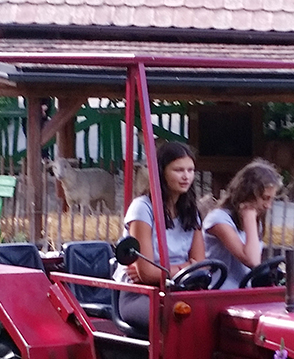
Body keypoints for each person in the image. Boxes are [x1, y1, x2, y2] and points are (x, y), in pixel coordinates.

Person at [115, 139, 205, 331]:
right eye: (178, 170)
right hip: (139, 295)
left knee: (213, 315)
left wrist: (168, 271)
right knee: (177, 317)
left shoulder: (191, 212)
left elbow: (201, 265)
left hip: (180, 290)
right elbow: (146, 273)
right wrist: (187, 267)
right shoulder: (142, 208)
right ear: (161, 172)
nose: (186, 176)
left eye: (190, 170)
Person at [203, 159, 281, 289]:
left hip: (244, 292)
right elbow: (252, 261)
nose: (268, 206)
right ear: (248, 194)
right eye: (265, 198)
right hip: (219, 293)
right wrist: (249, 216)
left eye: (271, 199)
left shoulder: (254, 222)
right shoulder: (218, 220)